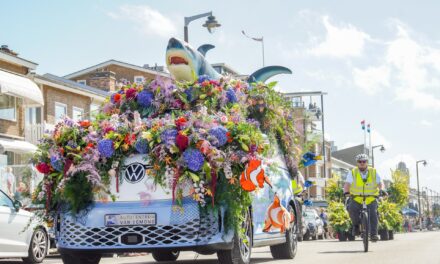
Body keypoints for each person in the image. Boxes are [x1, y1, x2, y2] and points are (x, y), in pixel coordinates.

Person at [343, 153, 386, 242]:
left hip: (371, 198)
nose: (362, 163)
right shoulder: (353, 172)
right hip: (356, 198)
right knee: (351, 209)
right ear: (357, 163)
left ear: (367, 162)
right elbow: (347, 184)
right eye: (360, 161)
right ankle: (356, 226)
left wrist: (382, 190)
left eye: (364, 161)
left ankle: (374, 234)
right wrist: (346, 192)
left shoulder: (373, 171)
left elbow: (380, 183)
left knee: (373, 214)